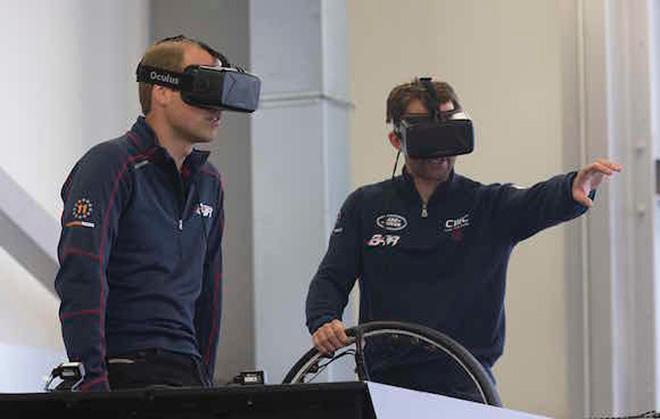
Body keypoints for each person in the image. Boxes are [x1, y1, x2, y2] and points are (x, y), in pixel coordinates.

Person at [305, 77, 621, 401]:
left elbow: (535, 201)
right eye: (427, 137)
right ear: (396, 140)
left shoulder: (486, 205)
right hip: (384, 386)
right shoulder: (365, 205)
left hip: (467, 385)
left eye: (449, 135)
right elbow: (331, 277)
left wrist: (573, 188)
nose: (441, 152)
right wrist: (324, 319)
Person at [55, 35, 258, 391]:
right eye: (204, 86)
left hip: (187, 375)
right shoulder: (110, 164)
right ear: (162, 91)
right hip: (124, 370)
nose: (217, 108)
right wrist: (91, 382)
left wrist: (205, 384)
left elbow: (209, 292)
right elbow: (82, 274)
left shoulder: (209, 182)